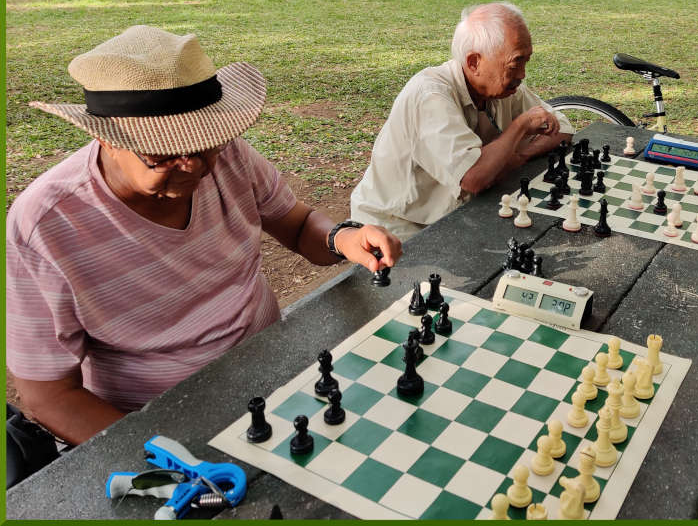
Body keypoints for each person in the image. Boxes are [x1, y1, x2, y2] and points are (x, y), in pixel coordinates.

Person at [6, 26, 402, 446]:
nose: (195, 166)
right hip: (154, 419)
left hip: (271, 365)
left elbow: (299, 225)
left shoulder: (228, 155)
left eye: (206, 144)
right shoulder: (45, 226)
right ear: (104, 136)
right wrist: (162, 457)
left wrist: (342, 238)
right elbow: (48, 397)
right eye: (163, 155)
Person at [350, 3, 574, 240]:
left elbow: (563, 129)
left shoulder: (503, 88)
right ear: (474, 62)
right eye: (515, 63)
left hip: (452, 216)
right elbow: (473, 179)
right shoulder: (430, 96)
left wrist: (518, 156)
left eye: (526, 61)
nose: (522, 75)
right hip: (397, 228)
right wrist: (520, 126)